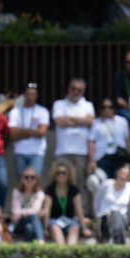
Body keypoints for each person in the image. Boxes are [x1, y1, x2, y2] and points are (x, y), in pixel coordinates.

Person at [52, 78, 95, 214]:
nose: (75, 92)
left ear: (83, 92)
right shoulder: (59, 104)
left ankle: (84, 215)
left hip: (81, 152)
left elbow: (89, 121)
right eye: (73, 89)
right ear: (68, 89)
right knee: (61, 184)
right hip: (63, 150)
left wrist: (70, 119)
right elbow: (59, 121)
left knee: (81, 184)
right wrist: (80, 121)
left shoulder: (88, 105)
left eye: (79, 90)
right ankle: (62, 213)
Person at [7, 82, 50, 180]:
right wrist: (32, 132)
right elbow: (13, 134)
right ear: (24, 95)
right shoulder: (15, 112)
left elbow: (41, 132)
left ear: (36, 96)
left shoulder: (42, 111)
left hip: (37, 152)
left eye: (33, 94)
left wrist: (22, 131)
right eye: (28, 94)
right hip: (20, 151)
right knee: (21, 182)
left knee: (34, 181)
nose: (30, 97)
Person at [41, 160, 90, 245]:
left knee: (75, 228)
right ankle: (62, 251)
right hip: (54, 220)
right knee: (54, 227)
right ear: (54, 174)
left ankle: (69, 251)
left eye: (64, 173)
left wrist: (84, 228)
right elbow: (47, 210)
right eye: (58, 173)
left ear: (69, 175)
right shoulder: (50, 189)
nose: (61, 175)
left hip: (70, 220)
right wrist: (45, 228)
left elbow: (79, 210)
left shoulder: (74, 190)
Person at [88, 98, 130, 180]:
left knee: (118, 182)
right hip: (102, 156)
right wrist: (92, 161)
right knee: (103, 183)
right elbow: (91, 142)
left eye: (110, 107)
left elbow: (125, 140)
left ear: (114, 108)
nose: (107, 110)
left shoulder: (122, 121)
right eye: (104, 107)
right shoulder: (96, 122)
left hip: (118, 156)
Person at [93, 162, 130, 244]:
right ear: (117, 172)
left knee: (116, 215)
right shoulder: (106, 184)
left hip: (122, 220)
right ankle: (120, 244)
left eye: (126, 174)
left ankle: (113, 240)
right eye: (122, 173)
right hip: (104, 218)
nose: (123, 176)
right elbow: (97, 201)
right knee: (114, 215)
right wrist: (98, 215)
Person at [10, 166, 45, 243]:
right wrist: (26, 213)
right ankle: (41, 241)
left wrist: (21, 213)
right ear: (22, 179)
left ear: (36, 180)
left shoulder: (39, 193)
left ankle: (27, 248)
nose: (29, 179)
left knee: (29, 227)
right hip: (18, 223)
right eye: (26, 177)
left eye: (32, 177)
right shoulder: (16, 192)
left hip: (30, 223)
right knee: (33, 217)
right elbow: (15, 210)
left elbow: (35, 210)